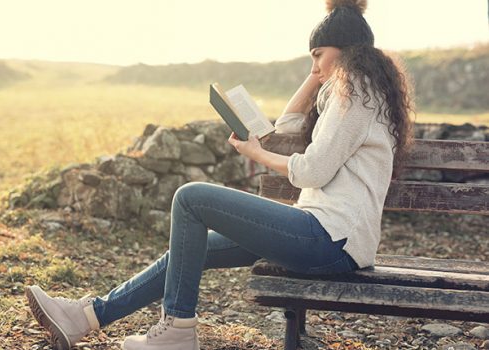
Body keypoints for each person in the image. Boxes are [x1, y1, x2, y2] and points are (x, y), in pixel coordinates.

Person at [24, 0, 415, 349]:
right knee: (193, 248)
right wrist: (318, 72)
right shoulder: (351, 90)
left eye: (318, 55)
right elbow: (290, 124)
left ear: (345, 52)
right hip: (321, 235)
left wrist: (257, 153)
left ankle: (177, 329)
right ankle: (87, 317)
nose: (314, 67)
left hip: (329, 240)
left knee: (191, 198)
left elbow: (312, 169)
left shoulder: (357, 93)